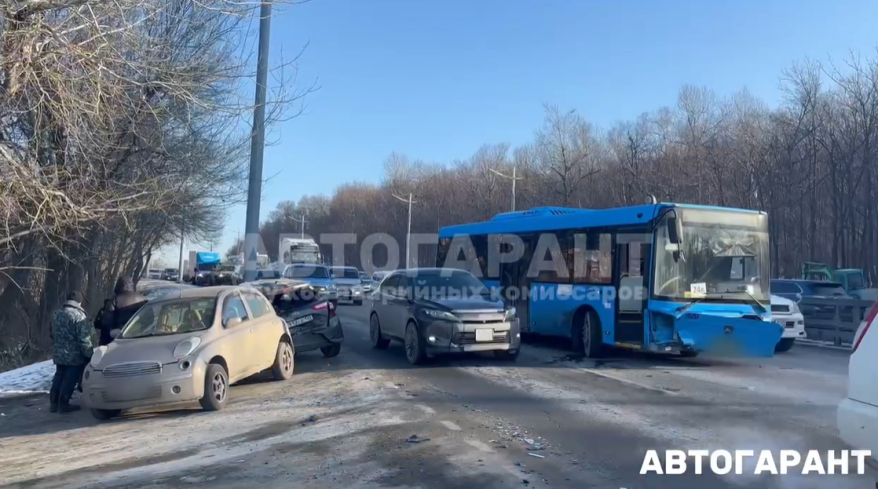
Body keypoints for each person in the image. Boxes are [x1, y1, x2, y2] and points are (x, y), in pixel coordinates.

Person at [49, 291, 93, 413]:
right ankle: (63, 404)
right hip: (74, 356)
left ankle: (53, 404)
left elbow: (51, 333)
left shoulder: (56, 314)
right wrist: (89, 354)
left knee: (58, 376)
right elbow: (84, 338)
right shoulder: (79, 316)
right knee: (70, 379)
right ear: (79, 302)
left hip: (59, 353)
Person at [95, 277, 147, 346]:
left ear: (118, 286)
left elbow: (107, 322)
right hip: (139, 337)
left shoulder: (114, 300)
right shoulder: (143, 300)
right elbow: (150, 318)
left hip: (118, 337)